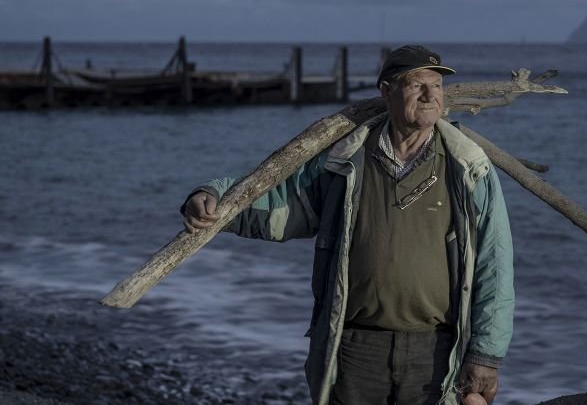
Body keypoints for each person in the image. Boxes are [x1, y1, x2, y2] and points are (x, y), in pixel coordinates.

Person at [182, 45, 515, 405]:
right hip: (354, 349)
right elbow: (279, 208)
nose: (430, 94)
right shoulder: (344, 160)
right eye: (417, 84)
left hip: (436, 351)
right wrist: (213, 197)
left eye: (436, 85)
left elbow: (494, 265)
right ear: (386, 93)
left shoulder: (468, 168)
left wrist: (485, 354)